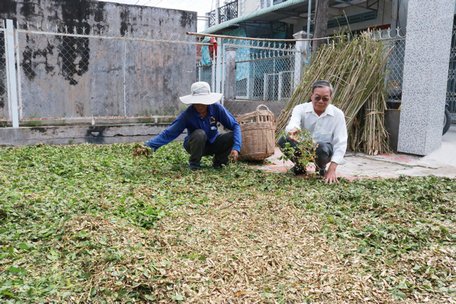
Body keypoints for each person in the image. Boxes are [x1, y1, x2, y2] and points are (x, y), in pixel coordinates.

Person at [145, 81, 242, 170]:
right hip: (194, 145)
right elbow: (169, 133)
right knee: (200, 134)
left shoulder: (217, 108)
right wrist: (148, 146)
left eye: (202, 102)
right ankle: (194, 165)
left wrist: (236, 148)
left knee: (231, 136)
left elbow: (235, 125)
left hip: (213, 143)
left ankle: (219, 163)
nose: (200, 105)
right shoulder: (187, 115)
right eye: (197, 102)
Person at [278, 80, 347, 183]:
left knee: (321, 147)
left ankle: (321, 168)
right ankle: (300, 165)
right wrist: (294, 130)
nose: (321, 101)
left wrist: (332, 169)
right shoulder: (300, 109)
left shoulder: (338, 114)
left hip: (324, 152)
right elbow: (293, 123)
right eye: (317, 97)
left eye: (325, 99)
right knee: (283, 140)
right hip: (302, 148)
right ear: (311, 96)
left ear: (330, 99)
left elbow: (340, 142)